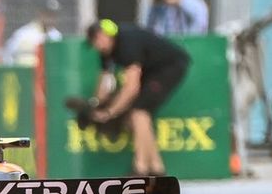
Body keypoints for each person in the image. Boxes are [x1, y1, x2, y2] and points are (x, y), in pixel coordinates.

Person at [67, 19, 190, 176]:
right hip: (150, 72)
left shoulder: (127, 44)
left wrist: (110, 112)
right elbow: (105, 80)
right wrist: (96, 104)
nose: (96, 47)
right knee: (138, 116)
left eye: (95, 41)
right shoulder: (106, 53)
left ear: (103, 36)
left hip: (168, 67)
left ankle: (141, 168)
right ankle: (156, 168)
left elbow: (131, 88)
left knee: (139, 112)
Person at [3, 0, 63, 65]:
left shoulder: (57, 37)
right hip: (27, 73)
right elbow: (8, 56)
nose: (50, 19)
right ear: (40, 13)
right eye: (47, 14)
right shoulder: (23, 34)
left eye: (54, 15)